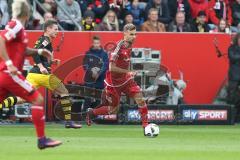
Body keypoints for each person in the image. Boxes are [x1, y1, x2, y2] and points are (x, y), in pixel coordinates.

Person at [0, 0, 62, 149]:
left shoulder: (18, 27)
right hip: (10, 74)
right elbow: (1, 39)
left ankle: (42, 140)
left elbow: (23, 50)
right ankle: (42, 140)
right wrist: (9, 63)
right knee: (38, 99)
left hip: (5, 75)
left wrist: (39, 51)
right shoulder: (16, 26)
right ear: (27, 13)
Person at [85, 23, 149, 130]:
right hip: (113, 83)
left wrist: (129, 73)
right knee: (113, 110)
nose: (134, 37)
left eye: (135, 34)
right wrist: (128, 71)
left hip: (126, 80)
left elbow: (125, 62)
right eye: (131, 34)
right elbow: (111, 67)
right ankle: (92, 112)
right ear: (125, 33)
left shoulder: (130, 46)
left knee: (141, 99)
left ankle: (145, 125)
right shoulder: (117, 47)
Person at [83, 35, 109, 108]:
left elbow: (106, 65)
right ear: (92, 43)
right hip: (89, 79)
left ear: (100, 43)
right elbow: (85, 65)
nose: (96, 45)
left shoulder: (104, 54)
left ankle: (96, 116)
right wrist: (92, 72)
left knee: (98, 98)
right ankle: (85, 115)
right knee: (87, 98)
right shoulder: (88, 53)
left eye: (98, 43)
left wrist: (98, 73)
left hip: (100, 79)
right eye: (95, 43)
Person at [227, 33, 240, 122]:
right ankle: (231, 119)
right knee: (232, 98)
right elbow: (233, 57)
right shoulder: (231, 48)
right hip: (234, 76)